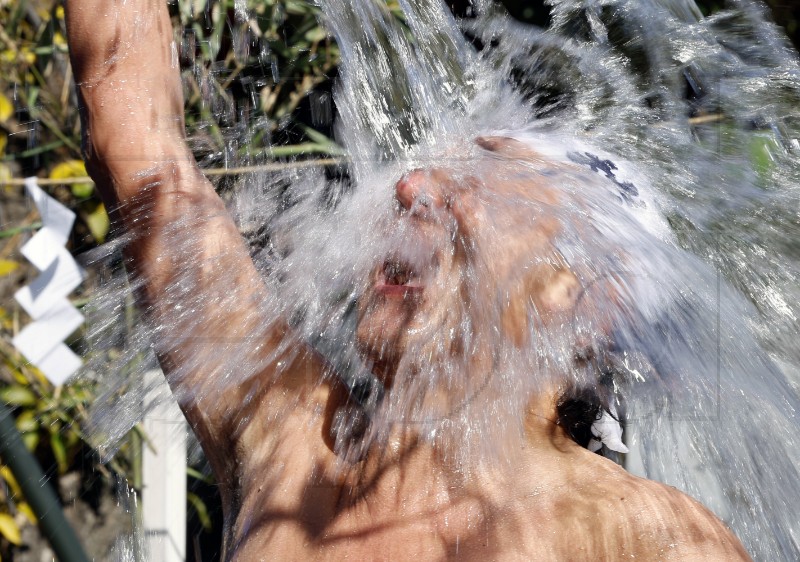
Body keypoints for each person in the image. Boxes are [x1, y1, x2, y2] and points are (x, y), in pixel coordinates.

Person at [65, 1, 750, 559]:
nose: (412, 186)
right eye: (433, 169)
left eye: (481, 183)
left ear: (580, 297)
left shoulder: (647, 538)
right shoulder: (290, 440)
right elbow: (140, 146)